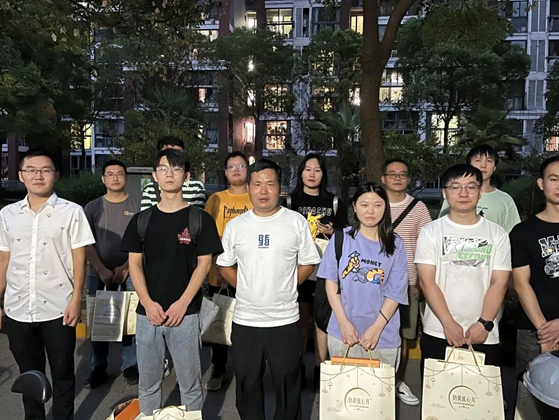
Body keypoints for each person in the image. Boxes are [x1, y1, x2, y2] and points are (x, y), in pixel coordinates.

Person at [217, 159, 321, 420]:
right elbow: (225, 265)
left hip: (284, 320)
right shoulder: (236, 226)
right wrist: (246, 287)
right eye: (257, 184)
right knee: (247, 385)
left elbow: (309, 261)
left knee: (288, 387)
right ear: (249, 188)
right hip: (245, 321)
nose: (263, 190)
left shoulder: (295, 222)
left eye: (270, 184)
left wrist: (288, 284)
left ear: (280, 187)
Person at [121, 149, 223, 415]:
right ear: (154, 176)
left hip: (186, 314)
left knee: (190, 386)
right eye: (163, 168)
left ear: (186, 177)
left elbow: (204, 264)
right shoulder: (141, 220)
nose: (170, 174)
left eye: (176, 169)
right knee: (148, 386)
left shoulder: (200, 219)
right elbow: (134, 264)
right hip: (148, 315)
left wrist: (182, 303)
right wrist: (147, 303)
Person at [0, 150, 95, 420]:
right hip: (18, 308)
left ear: (56, 175)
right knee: (29, 375)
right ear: (21, 175)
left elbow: (79, 260)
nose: (38, 175)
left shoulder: (71, 212)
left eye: (45, 170)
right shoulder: (7, 214)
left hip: (59, 307)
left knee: (62, 372)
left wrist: (76, 300)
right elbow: (3, 259)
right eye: (31, 170)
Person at [416, 164, 511, 373]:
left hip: (484, 333)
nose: (463, 193)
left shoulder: (497, 234)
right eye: (456, 187)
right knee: (437, 391)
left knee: (482, 391)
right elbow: (426, 281)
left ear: (480, 192)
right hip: (439, 330)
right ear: (445, 192)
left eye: (470, 187)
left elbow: (500, 282)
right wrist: (448, 323)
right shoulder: (430, 231)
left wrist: (484, 323)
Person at [317, 182, 408, 368]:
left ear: (385, 208)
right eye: (364, 204)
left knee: (380, 387)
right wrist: (343, 322)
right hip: (343, 333)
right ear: (355, 207)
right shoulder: (341, 238)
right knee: (342, 386)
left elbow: (396, 292)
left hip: (383, 336)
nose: (370, 211)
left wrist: (376, 328)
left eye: (377, 205)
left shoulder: (396, 244)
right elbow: (331, 283)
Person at [285, 153, 348, 385]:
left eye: (317, 170)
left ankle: (321, 368)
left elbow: (347, 235)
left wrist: (333, 232)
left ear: (323, 174)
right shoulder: (290, 202)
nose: (312, 174)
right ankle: (300, 367)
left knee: (322, 320)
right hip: (298, 268)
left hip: (327, 269)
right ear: (301, 173)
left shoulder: (335, 202)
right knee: (300, 319)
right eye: (308, 169)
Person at [84, 159, 139, 389]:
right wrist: (100, 269)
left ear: (126, 178)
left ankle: (130, 365)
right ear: (103, 179)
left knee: (130, 320)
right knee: (100, 322)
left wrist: (126, 267)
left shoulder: (137, 206)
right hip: (98, 273)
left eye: (119, 174)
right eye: (110, 174)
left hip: (131, 273)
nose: (115, 178)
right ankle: (98, 366)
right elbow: (85, 242)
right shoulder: (92, 207)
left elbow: (142, 241)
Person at [381, 159, 431, 405]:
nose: (398, 178)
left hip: (408, 281)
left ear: (409, 179)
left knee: (403, 335)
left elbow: (427, 246)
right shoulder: (375, 203)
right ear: (383, 179)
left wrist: (422, 281)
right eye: (392, 174)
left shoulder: (419, 208)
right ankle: (375, 379)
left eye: (402, 174)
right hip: (373, 280)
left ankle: (397, 381)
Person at [204, 151, 253, 391]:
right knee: (220, 320)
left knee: (248, 323)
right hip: (220, 273)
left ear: (247, 170)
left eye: (240, 166)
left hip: (251, 274)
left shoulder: (255, 197)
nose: (236, 170)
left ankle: (247, 367)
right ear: (225, 172)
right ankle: (219, 366)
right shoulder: (216, 199)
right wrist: (218, 264)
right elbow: (206, 235)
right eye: (231, 166)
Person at [511, 155, 559, 380]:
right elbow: (521, 284)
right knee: (529, 391)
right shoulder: (522, 232)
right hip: (533, 331)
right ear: (541, 184)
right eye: (554, 179)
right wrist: (545, 332)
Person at [439, 144, 520, 233]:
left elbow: (513, 233)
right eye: (478, 160)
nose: (483, 165)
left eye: (489, 161)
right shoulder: (455, 195)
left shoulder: (505, 200)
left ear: (494, 167)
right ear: (469, 164)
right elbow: (441, 227)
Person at [140, 136, 206, 211]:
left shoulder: (196, 187)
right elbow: (146, 216)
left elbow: (197, 215)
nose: (172, 158)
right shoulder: (149, 189)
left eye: (177, 153)